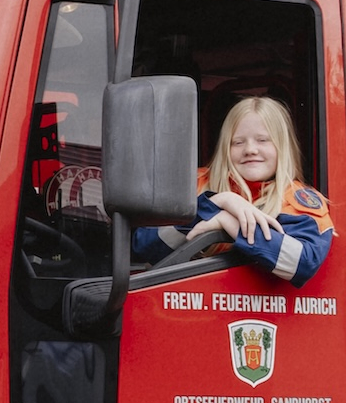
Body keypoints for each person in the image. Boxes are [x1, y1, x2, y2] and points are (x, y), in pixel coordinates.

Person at [130, 95, 334, 286]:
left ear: (283, 146)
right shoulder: (193, 184)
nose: (250, 150)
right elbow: (143, 246)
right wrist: (217, 202)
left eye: (263, 140)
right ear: (225, 147)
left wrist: (228, 222)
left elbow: (302, 263)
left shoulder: (297, 200)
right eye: (238, 142)